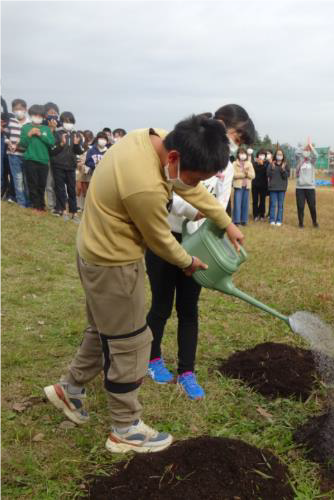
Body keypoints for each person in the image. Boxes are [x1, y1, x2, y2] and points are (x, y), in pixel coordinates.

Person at [43, 115, 245, 454]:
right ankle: (125, 428)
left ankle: (70, 389)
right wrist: (188, 262)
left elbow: (189, 187)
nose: (195, 183)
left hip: (92, 250)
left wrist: (225, 222)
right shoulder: (146, 187)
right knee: (130, 342)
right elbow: (162, 241)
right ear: (174, 159)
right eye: (196, 175)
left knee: (103, 329)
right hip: (113, 263)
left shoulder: (151, 139)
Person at [146, 104, 255, 399]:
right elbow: (167, 194)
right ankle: (152, 358)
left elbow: (220, 205)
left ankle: (187, 371)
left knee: (189, 308)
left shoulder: (227, 167)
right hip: (167, 236)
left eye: (240, 142)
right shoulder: (185, 149)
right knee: (161, 304)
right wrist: (193, 211)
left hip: (200, 242)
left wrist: (215, 222)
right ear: (220, 123)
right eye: (236, 135)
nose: (235, 144)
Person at [19, 105, 55, 212]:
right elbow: (23, 144)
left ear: (43, 117)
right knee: (32, 183)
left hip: (43, 160)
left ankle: (41, 206)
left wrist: (41, 135)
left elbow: (51, 143)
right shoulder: (25, 128)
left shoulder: (46, 129)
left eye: (40, 115)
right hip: (30, 159)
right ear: (30, 115)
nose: (37, 117)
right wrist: (29, 134)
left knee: (42, 184)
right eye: (35, 115)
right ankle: (35, 206)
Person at [50, 112, 84, 221]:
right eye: (66, 121)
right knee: (60, 189)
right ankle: (63, 211)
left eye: (70, 122)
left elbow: (79, 151)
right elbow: (52, 151)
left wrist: (76, 144)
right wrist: (61, 144)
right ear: (62, 122)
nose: (68, 124)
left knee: (71, 190)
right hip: (58, 165)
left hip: (71, 166)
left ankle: (74, 213)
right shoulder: (57, 133)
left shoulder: (77, 135)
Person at [5, 99, 30, 207]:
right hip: (13, 155)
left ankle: (28, 201)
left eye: (20, 109)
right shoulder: (10, 121)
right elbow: (5, 135)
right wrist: (8, 142)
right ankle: (22, 202)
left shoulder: (30, 123)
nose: (18, 111)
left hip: (26, 155)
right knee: (17, 179)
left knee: (26, 179)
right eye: (15, 109)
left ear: (25, 109)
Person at [296, 144, 319, 228]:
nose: (306, 151)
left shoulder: (312, 161)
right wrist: (304, 146)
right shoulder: (299, 159)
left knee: (312, 206)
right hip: (300, 187)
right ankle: (301, 223)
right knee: (300, 206)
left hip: (310, 187)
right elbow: (296, 152)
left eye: (308, 150)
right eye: (306, 150)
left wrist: (311, 147)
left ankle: (314, 222)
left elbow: (316, 155)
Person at [43, 102, 60, 211]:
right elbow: (48, 142)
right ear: (45, 115)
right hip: (45, 158)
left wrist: (55, 129)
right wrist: (51, 129)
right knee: (46, 183)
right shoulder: (43, 127)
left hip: (56, 159)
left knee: (54, 184)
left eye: (55, 113)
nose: (53, 115)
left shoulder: (61, 129)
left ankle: (55, 205)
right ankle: (47, 204)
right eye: (50, 113)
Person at [232, 148, 255, 226]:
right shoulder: (234, 163)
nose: (242, 155)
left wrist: (247, 173)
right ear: (238, 154)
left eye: (244, 153)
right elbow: (233, 175)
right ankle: (236, 221)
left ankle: (244, 220)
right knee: (237, 204)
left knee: (245, 204)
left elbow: (253, 175)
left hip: (247, 187)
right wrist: (243, 174)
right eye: (241, 153)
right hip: (238, 187)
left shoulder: (249, 163)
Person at [267, 148, 290, 226]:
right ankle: (272, 220)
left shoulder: (285, 165)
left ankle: (279, 220)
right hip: (273, 187)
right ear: (275, 155)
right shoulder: (271, 164)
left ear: (283, 156)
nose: (279, 156)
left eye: (280, 154)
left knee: (280, 205)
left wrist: (283, 169)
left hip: (282, 188)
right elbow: (268, 174)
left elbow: (286, 176)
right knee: (273, 204)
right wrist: (272, 168)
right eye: (278, 154)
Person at [76, 130, 94, 210]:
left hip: (87, 169)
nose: (87, 138)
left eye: (89, 136)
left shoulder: (92, 147)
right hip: (79, 169)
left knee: (85, 189)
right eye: (86, 136)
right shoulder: (79, 145)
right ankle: (78, 205)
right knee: (79, 188)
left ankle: (85, 206)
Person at [252, 150, 268, 221]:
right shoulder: (254, 163)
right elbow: (254, 171)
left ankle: (262, 214)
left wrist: (262, 164)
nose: (261, 156)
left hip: (264, 185)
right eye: (260, 154)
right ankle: (255, 215)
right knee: (255, 200)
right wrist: (259, 164)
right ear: (257, 156)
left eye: (263, 154)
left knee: (262, 200)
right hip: (255, 184)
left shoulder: (266, 163)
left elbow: (267, 172)